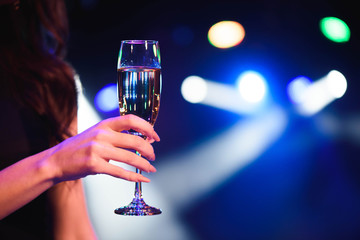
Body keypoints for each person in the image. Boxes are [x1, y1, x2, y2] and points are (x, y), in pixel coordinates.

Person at [0, 0, 160, 239]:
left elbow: (73, 230)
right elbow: (57, 164)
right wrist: (54, 163)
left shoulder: (51, 80)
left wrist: (58, 164)